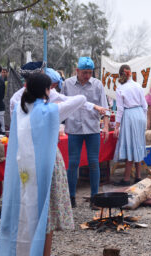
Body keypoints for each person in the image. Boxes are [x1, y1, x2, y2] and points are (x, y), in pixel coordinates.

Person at [0, 73, 87, 256]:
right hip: (47, 166)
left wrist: (40, 90)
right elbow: (81, 98)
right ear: (46, 90)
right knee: (45, 216)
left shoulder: (19, 110)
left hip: (22, 168)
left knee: (23, 209)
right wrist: (54, 95)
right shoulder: (50, 110)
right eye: (50, 88)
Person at [61, 57, 109, 209]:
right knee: (73, 163)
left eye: (90, 72)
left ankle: (95, 198)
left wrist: (106, 127)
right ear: (77, 71)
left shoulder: (97, 85)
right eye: (84, 73)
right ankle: (71, 197)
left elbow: (104, 108)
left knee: (94, 163)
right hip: (74, 128)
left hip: (92, 128)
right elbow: (61, 104)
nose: (87, 76)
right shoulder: (67, 84)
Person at [113, 65, 147, 186]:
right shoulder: (138, 86)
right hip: (140, 114)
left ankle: (126, 178)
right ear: (130, 73)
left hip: (129, 115)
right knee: (138, 144)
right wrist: (144, 119)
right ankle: (138, 176)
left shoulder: (120, 88)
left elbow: (120, 109)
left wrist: (117, 125)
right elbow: (145, 105)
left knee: (130, 145)